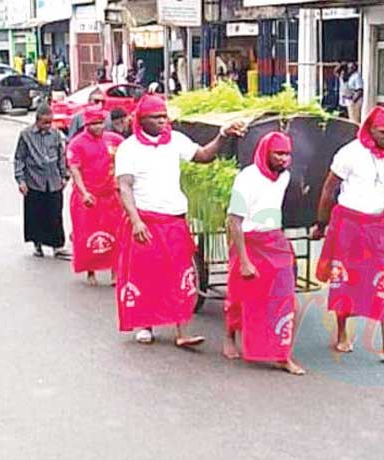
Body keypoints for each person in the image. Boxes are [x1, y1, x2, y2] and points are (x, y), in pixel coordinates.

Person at [113, 94, 247, 346]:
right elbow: (125, 186)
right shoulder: (128, 148)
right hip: (146, 221)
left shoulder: (175, 140)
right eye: (157, 117)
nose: (164, 121)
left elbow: (204, 155)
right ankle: (145, 324)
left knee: (180, 276)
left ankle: (182, 332)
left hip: (174, 221)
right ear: (142, 120)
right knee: (146, 276)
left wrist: (223, 134)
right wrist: (136, 220)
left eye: (165, 116)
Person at [312, 106, 384, 365]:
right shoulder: (350, 153)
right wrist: (321, 224)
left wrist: (379, 207)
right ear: (370, 128)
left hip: (378, 223)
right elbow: (328, 189)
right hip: (349, 223)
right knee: (347, 279)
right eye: (383, 132)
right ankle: (343, 331)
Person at [222, 132, 305, 375]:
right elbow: (234, 221)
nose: (284, 160)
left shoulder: (284, 177)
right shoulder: (246, 178)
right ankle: (229, 337)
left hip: (274, 240)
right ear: (265, 152)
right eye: (278, 154)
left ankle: (282, 354)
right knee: (239, 296)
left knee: (287, 300)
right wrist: (244, 260)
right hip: (248, 241)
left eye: (288, 155)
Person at [68, 107, 125, 285]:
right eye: (94, 124)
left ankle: (115, 273)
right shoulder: (76, 144)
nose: (98, 127)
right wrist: (84, 192)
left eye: (100, 123)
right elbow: (75, 170)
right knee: (87, 234)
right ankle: (90, 272)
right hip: (88, 198)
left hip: (111, 197)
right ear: (86, 125)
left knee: (116, 234)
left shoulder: (114, 140)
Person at [14, 104, 71, 260]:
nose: (47, 126)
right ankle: (37, 244)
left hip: (53, 180)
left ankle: (57, 246)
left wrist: (65, 176)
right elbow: (19, 158)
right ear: (37, 121)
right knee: (35, 214)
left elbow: (61, 156)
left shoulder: (56, 134)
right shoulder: (26, 135)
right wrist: (21, 180)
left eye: (50, 122)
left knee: (55, 213)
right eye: (45, 123)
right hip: (34, 180)